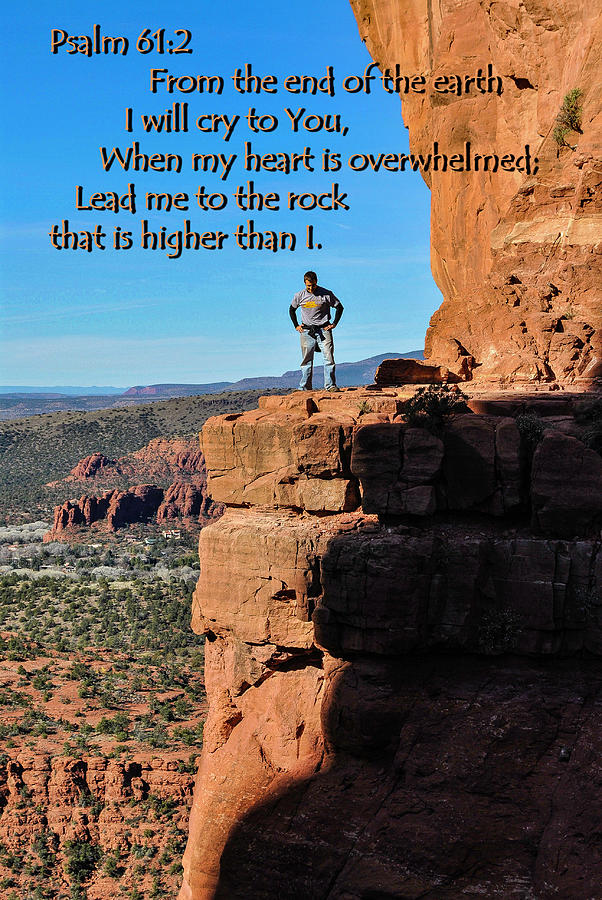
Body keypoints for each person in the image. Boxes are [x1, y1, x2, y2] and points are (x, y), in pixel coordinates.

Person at [289, 271, 344, 391]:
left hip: (324, 330)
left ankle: (330, 386)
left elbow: (339, 307)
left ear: (316, 282)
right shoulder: (299, 295)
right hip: (307, 331)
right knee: (306, 360)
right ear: (304, 283)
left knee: (328, 358)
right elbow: (291, 309)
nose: (311, 288)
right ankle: (304, 387)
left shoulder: (326, 294)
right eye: (308, 285)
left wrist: (334, 324)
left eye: (313, 285)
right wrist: (296, 326)